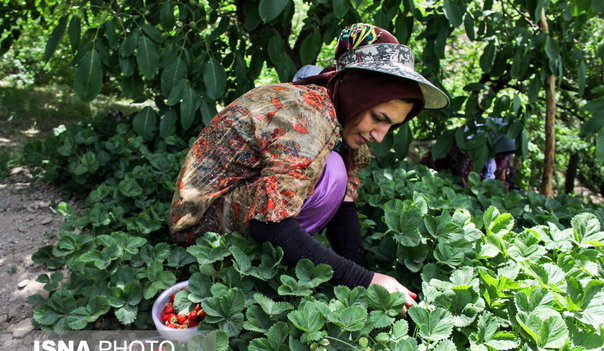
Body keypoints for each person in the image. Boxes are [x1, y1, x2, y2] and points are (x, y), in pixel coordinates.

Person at [169, 24, 449, 312]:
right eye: (379, 117)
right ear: (358, 94)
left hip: (236, 209)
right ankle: (260, 261)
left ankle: (284, 254)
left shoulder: (337, 115)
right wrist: (364, 280)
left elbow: (344, 203)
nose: (380, 134)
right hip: (200, 227)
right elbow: (270, 224)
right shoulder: (307, 116)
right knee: (333, 171)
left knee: (336, 172)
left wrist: (367, 282)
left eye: (391, 124)